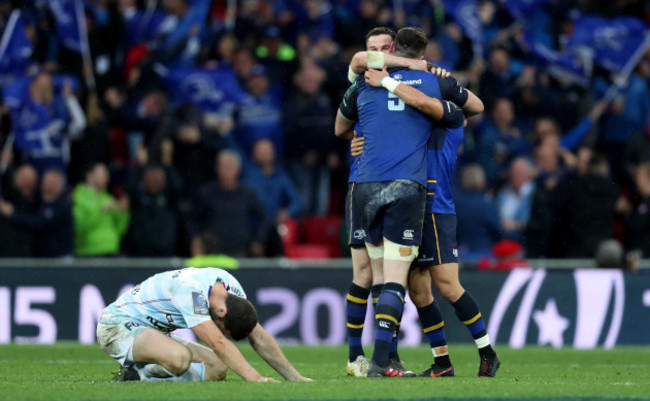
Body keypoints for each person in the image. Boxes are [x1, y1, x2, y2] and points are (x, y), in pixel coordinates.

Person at [340, 27, 482, 377]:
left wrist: (409, 75)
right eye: (371, 49)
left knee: (404, 281)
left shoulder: (381, 82)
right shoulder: (362, 80)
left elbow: (341, 126)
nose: (375, 54)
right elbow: (470, 108)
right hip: (400, 187)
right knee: (386, 277)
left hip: (384, 190)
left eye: (381, 48)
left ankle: (393, 358)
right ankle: (371, 358)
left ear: (391, 48)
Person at [361, 67, 500, 378]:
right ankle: (442, 362)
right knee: (419, 292)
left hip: (436, 207)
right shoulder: (419, 119)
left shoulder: (451, 115)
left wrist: (443, 80)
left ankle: (488, 353)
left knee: (448, 286)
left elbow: (459, 103)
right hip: (411, 205)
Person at [97, 267, 311, 382]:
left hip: (154, 332)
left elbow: (259, 336)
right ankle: (141, 371)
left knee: (218, 368)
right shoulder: (191, 291)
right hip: (118, 325)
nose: (220, 331)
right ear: (221, 311)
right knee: (179, 359)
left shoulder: (231, 288)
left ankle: (140, 377)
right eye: (222, 327)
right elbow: (217, 342)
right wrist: (255, 378)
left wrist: (295, 378)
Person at [191, 150, 268, 257]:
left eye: (229, 166)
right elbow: (193, 220)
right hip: (212, 253)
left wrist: (258, 240)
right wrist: (196, 239)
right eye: (223, 166)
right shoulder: (206, 193)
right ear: (217, 169)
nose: (226, 170)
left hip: (240, 251)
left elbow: (263, 218)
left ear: (238, 170)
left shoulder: (247, 193)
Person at [0, 168, 74, 257]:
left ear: (60, 185)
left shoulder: (62, 205)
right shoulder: (40, 201)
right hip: (43, 257)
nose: (48, 185)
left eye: (52, 183)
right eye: (46, 181)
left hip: (61, 256)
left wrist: (12, 213)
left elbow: (38, 222)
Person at [73, 162, 130, 257]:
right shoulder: (78, 197)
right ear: (90, 176)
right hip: (89, 253)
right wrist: (101, 211)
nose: (107, 178)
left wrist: (123, 212)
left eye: (107, 174)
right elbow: (79, 228)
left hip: (112, 251)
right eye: (103, 174)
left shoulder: (107, 197)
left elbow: (120, 229)